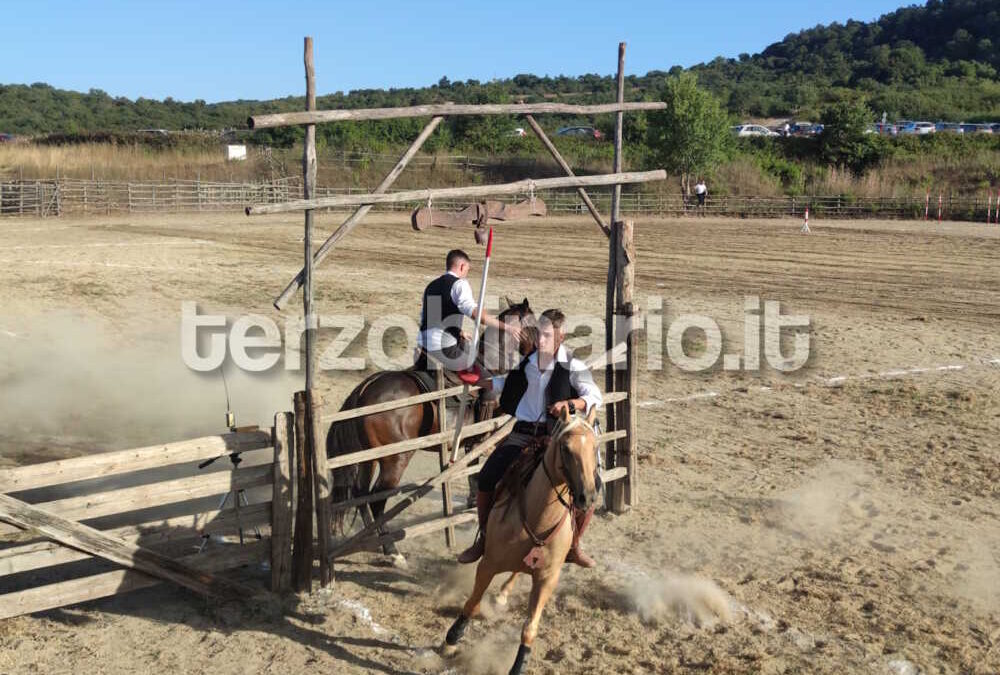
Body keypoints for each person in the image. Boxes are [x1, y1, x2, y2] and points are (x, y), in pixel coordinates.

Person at [457, 309, 602, 567]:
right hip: (523, 435)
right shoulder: (528, 363)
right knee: (488, 476)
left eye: (547, 335)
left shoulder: (573, 364)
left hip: (556, 439)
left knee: (590, 487)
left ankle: (574, 545)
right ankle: (483, 539)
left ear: (560, 336)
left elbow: (593, 395)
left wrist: (569, 404)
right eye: (539, 334)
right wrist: (481, 380)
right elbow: (506, 384)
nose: (540, 340)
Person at [416, 249, 520, 371]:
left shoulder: (431, 286)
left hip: (423, 347)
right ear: (462, 266)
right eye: (467, 269)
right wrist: (507, 327)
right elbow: (476, 315)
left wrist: (459, 332)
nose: (466, 273)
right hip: (445, 348)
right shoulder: (460, 284)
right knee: (486, 375)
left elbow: (432, 318)